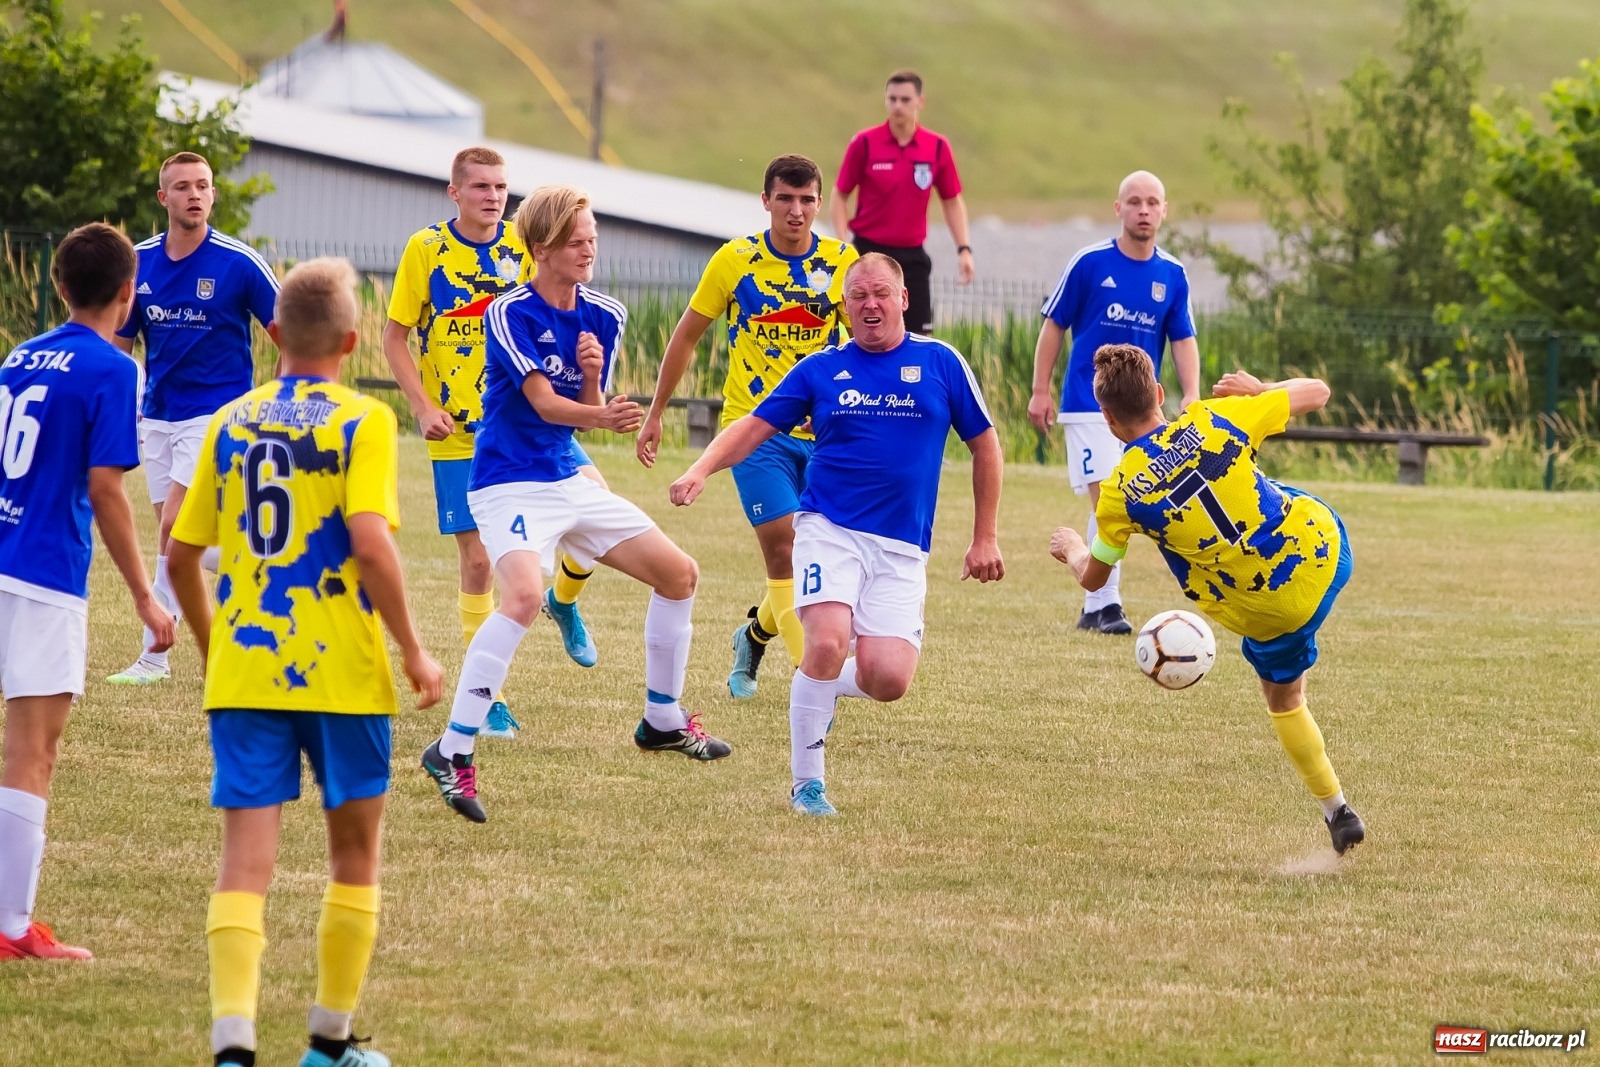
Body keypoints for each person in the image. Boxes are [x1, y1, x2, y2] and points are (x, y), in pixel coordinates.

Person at [167, 257, 445, 1067]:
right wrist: (415, 650)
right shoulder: (362, 421)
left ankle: (232, 1046)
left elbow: (180, 554)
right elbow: (369, 543)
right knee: (353, 856)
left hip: (248, 668)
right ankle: (327, 1044)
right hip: (343, 671)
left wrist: (216, 643)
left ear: (275, 335)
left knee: (243, 863)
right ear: (355, 341)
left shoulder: (230, 421)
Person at [420, 184, 731, 825]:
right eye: (577, 239)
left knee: (680, 574)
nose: (590, 248)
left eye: (592, 237)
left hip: (567, 476)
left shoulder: (607, 314)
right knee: (524, 597)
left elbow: (581, 415)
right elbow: (542, 404)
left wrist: (594, 378)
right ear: (541, 248)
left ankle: (662, 719)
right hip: (508, 481)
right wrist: (601, 409)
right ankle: (452, 750)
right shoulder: (507, 312)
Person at [670, 253, 1004, 817]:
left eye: (881, 294)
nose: (870, 304)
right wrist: (700, 469)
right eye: (858, 297)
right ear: (844, 308)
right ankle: (808, 785)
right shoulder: (821, 370)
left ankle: (813, 686)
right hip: (830, 530)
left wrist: (985, 537)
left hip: (902, 547)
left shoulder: (941, 362)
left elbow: (985, 444)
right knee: (825, 642)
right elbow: (753, 425)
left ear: (904, 300)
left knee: (888, 680)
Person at [1049, 344, 1366, 855]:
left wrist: (1072, 548)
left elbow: (1092, 579)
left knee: (1284, 700)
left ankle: (1338, 810)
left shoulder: (1119, 494)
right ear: (1158, 393)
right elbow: (1320, 391)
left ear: (1107, 419)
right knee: (1260, 484)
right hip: (1326, 553)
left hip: (1269, 614)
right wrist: (1261, 391)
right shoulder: (1216, 418)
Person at [384, 146, 606, 740]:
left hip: (532, 422)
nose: (493, 196)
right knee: (479, 562)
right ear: (454, 192)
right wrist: (422, 406)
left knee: (596, 503)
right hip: (461, 430)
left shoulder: (529, 244)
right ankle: (492, 700)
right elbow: (395, 336)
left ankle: (564, 600)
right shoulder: (427, 249)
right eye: (480, 186)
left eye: (501, 186)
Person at [0, 223, 177, 962]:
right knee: (31, 753)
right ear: (129, 291)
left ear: (60, 285)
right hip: (42, 575)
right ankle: (12, 928)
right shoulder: (115, 368)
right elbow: (107, 489)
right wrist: (143, 595)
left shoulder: (18, 354)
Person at [637, 154, 857, 698]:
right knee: (783, 548)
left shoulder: (841, 261)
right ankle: (818, 680)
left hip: (826, 436)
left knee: (819, 555)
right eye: (785, 199)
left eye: (807, 201)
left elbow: (865, 344)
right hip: (754, 430)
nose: (797, 211)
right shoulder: (735, 261)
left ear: (819, 204)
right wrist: (657, 410)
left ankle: (753, 634)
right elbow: (687, 336)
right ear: (765, 201)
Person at [108, 151, 280, 684]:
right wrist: (117, 409)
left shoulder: (238, 262)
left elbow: (291, 337)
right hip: (157, 416)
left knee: (171, 528)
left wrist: (284, 401)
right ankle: (259, 574)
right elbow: (118, 346)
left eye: (203, 186)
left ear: (213, 195)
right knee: (182, 545)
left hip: (218, 416)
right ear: (164, 198)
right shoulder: (137, 264)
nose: (195, 195)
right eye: (182, 187)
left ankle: (153, 657)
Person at [1028, 170, 1201, 635]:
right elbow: (1053, 325)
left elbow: (1183, 338)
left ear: (1164, 211)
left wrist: (1192, 393)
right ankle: (1103, 605)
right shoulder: (1089, 263)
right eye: (1135, 202)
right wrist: (1040, 390)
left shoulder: (1172, 274)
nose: (1143, 210)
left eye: (1152, 203)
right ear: (1118, 209)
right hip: (1090, 404)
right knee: (1109, 496)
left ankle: (1097, 606)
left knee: (1142, 501)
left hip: (1145, 412)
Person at [831, 69, 974, 334]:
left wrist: (964, 249)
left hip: (912, 256)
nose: (898, 106)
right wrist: (844, 246)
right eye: (892, 99)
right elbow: (839, 195)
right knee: (863, 334)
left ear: (920, 101)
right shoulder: (864, 143)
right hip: (868, 250)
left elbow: (952, 201)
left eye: (905, 99)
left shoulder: (937, 147)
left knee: (918, 336)